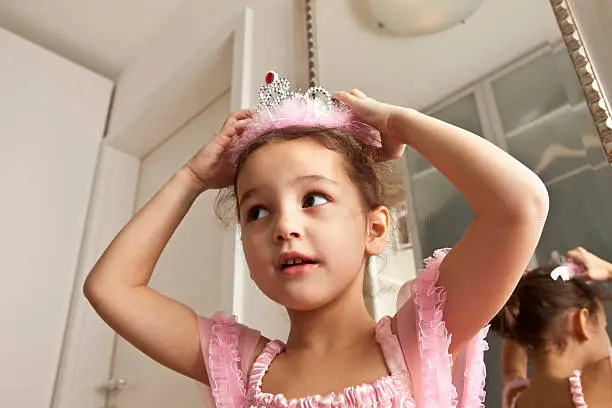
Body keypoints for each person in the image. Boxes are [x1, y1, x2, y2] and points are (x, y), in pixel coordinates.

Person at [84, 71, 549, 407]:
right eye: (257, 210)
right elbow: (111, 287)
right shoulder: (241, 368)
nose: (284, 227)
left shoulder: (417, 339)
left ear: (375, 228)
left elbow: (518, 205)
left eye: (313, 198)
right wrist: (190, 177)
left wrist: (398, 122)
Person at [492, 246, 612, 408]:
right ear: (581, 322)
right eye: (603, 327)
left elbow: (513, 369)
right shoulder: (603, 378)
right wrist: (608, 271)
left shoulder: (517, 399)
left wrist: (527, 299)